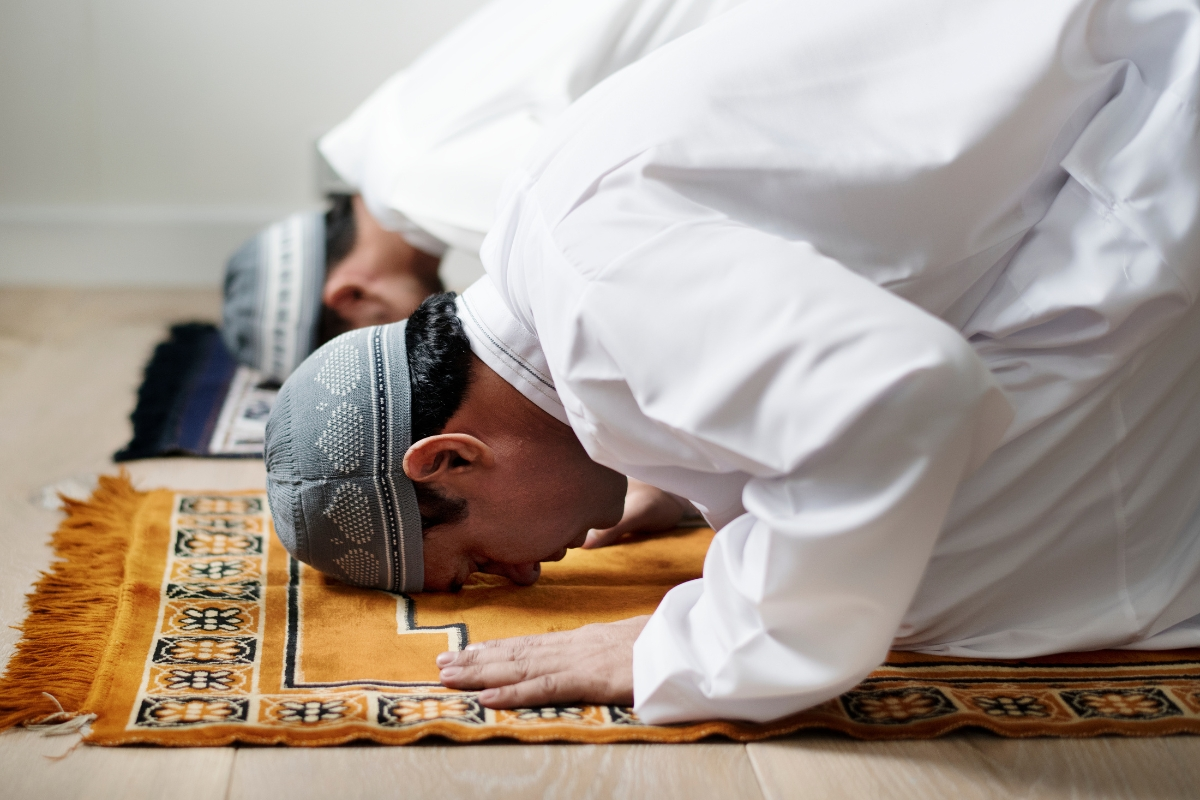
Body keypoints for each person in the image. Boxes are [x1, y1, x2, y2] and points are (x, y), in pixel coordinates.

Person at [264, 0, 1200, 725]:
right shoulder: (536, 249)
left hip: (1156, 96)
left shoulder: (594, 288)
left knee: (926, 589)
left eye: (469, 563)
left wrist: (701, 644)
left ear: (451, 458)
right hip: (1106, 107)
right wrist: (687, 470)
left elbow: (903, 394)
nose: (518, 580)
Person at [220, 0, 750, 383]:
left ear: (351, 296)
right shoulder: (386, 132)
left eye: (386, 348)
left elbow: (637, 269)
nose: (417, 352)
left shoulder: (421, 184)